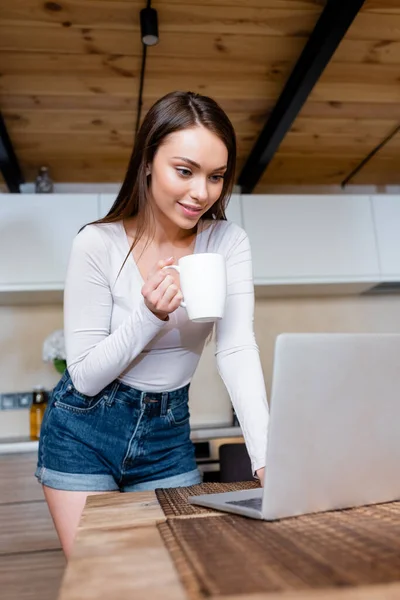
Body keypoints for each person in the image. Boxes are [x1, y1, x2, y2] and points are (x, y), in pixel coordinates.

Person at [35, 90, 269, 559]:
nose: (201, 192)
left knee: (182, 573)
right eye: (184, 171)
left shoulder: (228, 241)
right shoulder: (97, 244)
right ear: (147, 162)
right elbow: (84, 376)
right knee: (104, 579)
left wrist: (267, 458)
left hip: (168, 431)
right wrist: (148, 317)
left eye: (216, 176)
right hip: (84, 429)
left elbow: (236, 349)